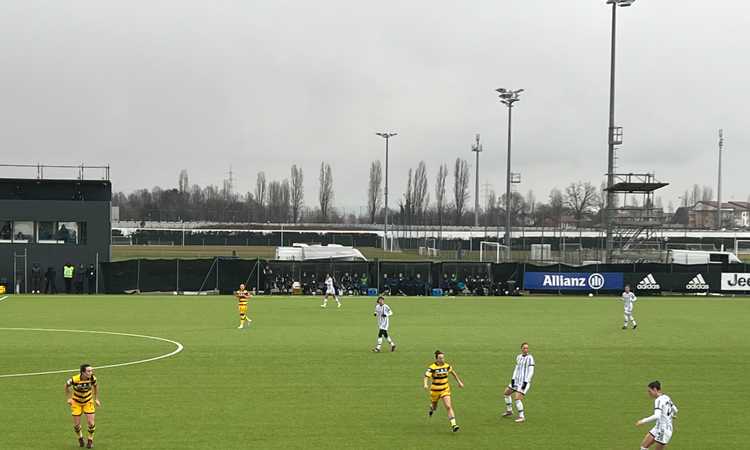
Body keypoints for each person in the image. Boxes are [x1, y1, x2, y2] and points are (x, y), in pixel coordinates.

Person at [424, 350, 464, 432]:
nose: (442, 359)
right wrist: (425, 384)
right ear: (436, 359)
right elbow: (426, 376)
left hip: (445, 389)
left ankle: (454, 425)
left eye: (443, 358)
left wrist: (459, 382)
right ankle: (431, 408)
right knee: (435, 407)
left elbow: (453, 373)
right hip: (435, 391)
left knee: (448, 406)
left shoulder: (447, 366)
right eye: (440, 358)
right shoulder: (432, 367)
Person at [65, 364, 101, 448]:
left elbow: (95, 386)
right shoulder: (74, 379)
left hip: (88, 401)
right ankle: (80, 438)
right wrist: (69, 398)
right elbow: (66, 386)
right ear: (83, 372)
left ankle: (90, 440)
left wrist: (96, 399)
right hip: (76, 403)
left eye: (91, 370)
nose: (91, 372)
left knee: (91, 423)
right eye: (88, 371)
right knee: (77, 425)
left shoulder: (92, 378)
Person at [636, 381, 678, 449]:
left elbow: (657, 416)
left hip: (664, 430)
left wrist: (643, 421)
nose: (649, 394)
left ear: (655, 389)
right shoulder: (666, 397)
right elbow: (675, 409)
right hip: (658, 428)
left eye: (649, 391)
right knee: (643, 447)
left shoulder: (658, 400)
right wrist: (671, 415)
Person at [503, 342, 535, 423]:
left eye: (527, 348)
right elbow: (516, 368)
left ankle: (522, 416)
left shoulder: (530, 358)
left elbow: (531, 371)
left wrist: (526, 382)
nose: (526, 349)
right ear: (521, 349)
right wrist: (513, 379)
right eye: (524, 348)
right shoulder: (518, 357)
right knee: (506, 393)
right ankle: (509, 411)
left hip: (524, 382)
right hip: (517, 381)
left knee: (517, 398)